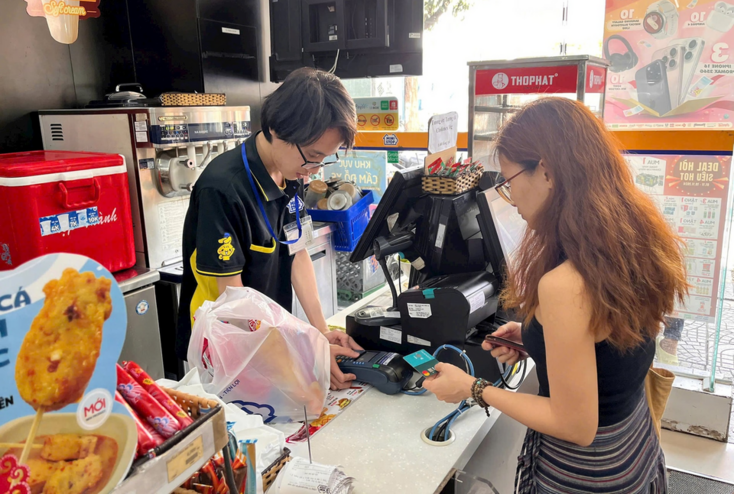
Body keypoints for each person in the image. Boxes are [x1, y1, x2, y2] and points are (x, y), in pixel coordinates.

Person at [424, 97, 687, 493]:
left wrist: (473, 388)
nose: (511, 199)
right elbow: (609, 346)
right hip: (633, 447)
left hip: (587, 474)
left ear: (545, 171)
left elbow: (574, 425)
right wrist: (537, 339)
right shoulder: (630, 236)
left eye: (509, 182)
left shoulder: (564, 283)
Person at [175, 67, 363, 389]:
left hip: (268, 339)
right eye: (313, 156)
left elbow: (298, 252)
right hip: (221, 347)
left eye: (324, 159)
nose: (314, 170)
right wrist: (305, 355)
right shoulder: (222, 190)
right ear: (277, 129)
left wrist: (320, 332)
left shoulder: (292, 174)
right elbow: (234, 303)